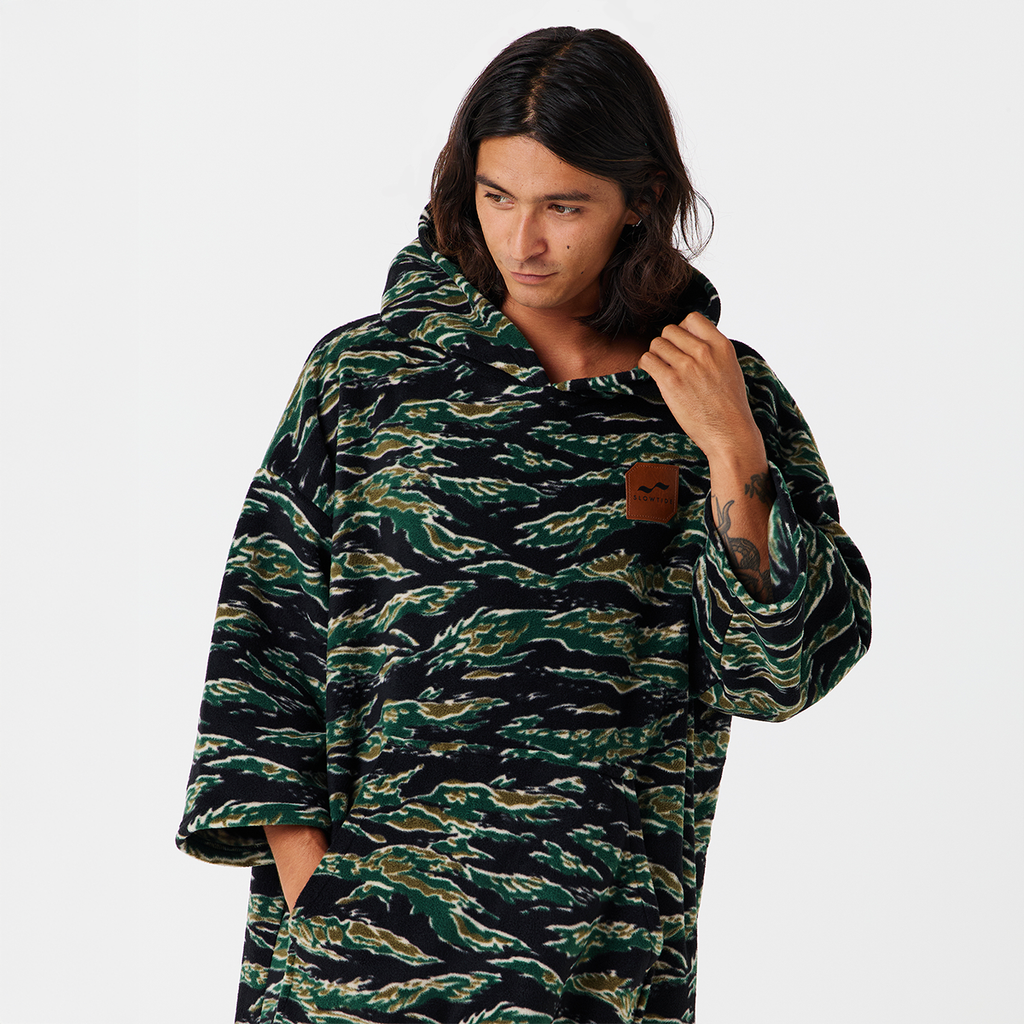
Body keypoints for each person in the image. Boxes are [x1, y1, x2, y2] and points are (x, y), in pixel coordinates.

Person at [177, 25, 871, 1024]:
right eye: (497, 197)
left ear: (641, 200)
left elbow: (778, 674)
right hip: (361, 959)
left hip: (606, 962)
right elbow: (262, 645)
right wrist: (321, 894)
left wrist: (731, 450)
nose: (523, 242)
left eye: (564, 206)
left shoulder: (717, 392)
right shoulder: (366, 378)